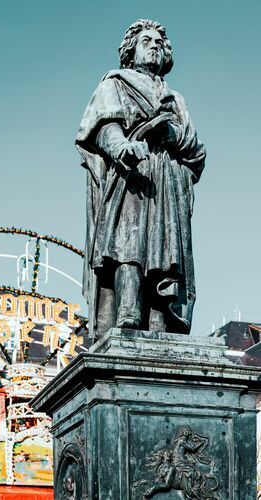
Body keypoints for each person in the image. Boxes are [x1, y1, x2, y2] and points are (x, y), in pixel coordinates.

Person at [76, 19, 206, 339]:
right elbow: (103, 127)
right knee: (128, 243)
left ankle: (160, 320)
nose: (154, 47)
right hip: (132, 174)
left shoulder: (175, 99)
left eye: (159, 44)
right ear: (130, 50)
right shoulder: (115, 83)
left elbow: (197, 151)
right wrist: (121, 147)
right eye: (146, 41)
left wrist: (172, 133)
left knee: (165, 253)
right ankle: (128, 311)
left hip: (168, 180)